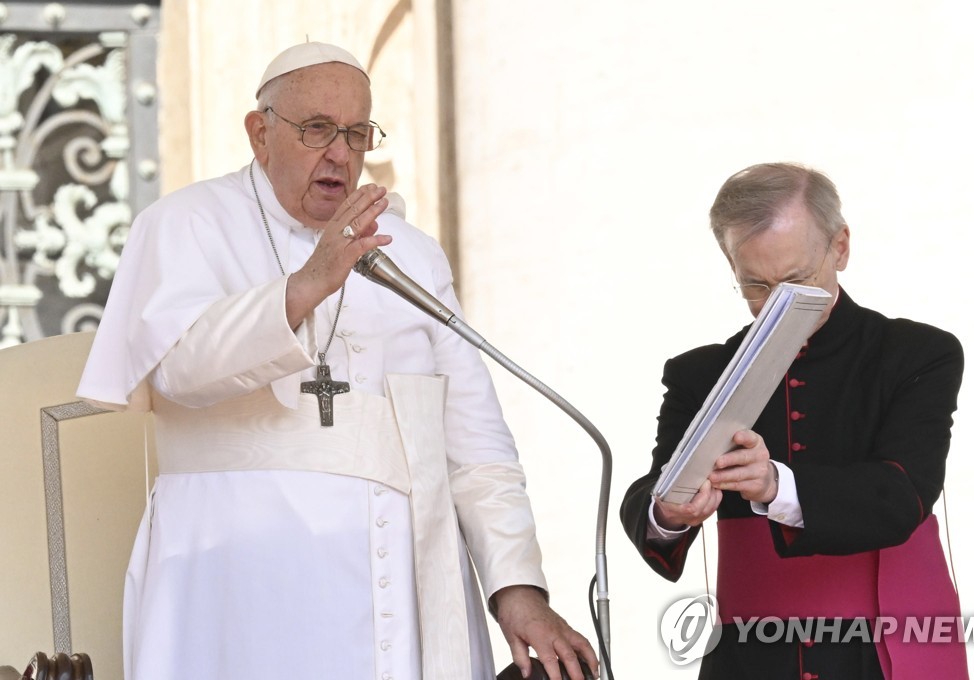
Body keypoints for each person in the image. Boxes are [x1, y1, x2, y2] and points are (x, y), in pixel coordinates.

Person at [77, 41, 597, 680]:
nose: (340, 153)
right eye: (317, 129)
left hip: (395, 587)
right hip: (232, 584)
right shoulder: (183, 223)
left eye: (356, 133)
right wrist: (303, 288)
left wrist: (518, 591)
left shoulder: (411, 253)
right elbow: (178, 372)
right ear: (259, 133)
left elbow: (475, 442)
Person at [620, 162, 968, 679]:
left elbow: (904, 495)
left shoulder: (917, 354)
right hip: (749, 657)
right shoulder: (700, 373)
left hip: (883, 647)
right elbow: (652, 496)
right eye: (756, 286)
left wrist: (773, 484)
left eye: (798, 280)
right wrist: (671, 512)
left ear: (841, 247)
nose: (778, 304)